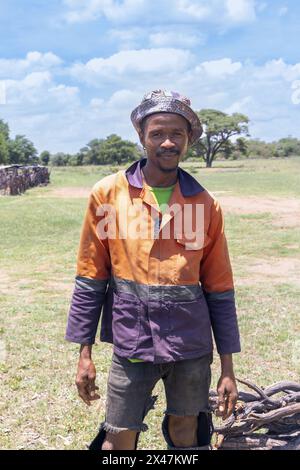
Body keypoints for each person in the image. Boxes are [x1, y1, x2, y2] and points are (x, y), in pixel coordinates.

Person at [65, 89, 241, 451]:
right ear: (142, 138)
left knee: (185, 432)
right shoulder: (108, 196)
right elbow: (90, 279)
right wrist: (84, 354)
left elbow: (220, 289)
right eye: (157, 133)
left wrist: (227, 368)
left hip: (190, 345)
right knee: (118, 438)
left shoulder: (205, 205)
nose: (167, 142)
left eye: (177, 134)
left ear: (189, 139)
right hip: (132, 342)